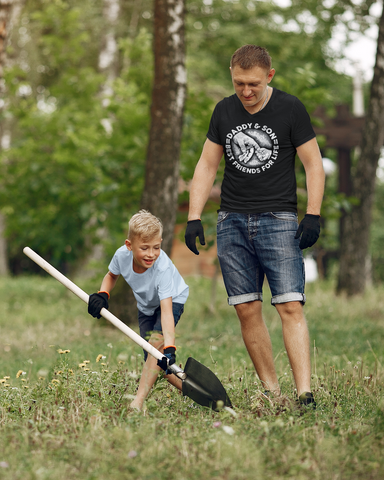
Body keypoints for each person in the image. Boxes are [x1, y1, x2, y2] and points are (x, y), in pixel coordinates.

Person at [184, 45, 325, 407]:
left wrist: (312, 213)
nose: (246, 91)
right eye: (238, 83)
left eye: (253, 84)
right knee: (246, 307)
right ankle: (272, 392)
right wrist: (193, 216)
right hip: (231, 221)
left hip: (278, 220)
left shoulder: (290, 108)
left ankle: (304, 393)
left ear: (270, 77)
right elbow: (206, 165)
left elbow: (313, 164)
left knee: (289, 305)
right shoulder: (224, 110)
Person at [88, 210, 189, 411]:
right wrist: (103, 294)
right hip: (145, 306)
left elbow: (167, 310)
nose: (151, 254)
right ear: (129, 246)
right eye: (144, 248)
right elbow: (111, 275)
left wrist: (170, 346)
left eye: (156, 247)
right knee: (156, 363)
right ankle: (192, 391)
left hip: (172, 300)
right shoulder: (121, 256)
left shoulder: (162, 268)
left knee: (157, 346)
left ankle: (138, 402)